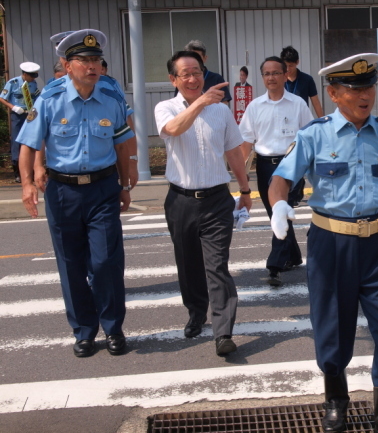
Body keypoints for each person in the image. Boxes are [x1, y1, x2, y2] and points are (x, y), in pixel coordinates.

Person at [268, 53, 378, 433]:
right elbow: (281, 178)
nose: (365, 95)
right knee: (333, 328)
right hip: (331, 244)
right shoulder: (314, 134)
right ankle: (336, 400)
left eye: (369, 87)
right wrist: (279, 204)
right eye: (354, 89)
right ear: (334, 93)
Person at [17, 29, 133, 358]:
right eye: (84, 61)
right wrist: (27, 183)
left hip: (102, 190)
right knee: (70, 263)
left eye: (96, 60)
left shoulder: (111, 100)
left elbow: (122, 146)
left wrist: (124, 186)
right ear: (68, 66)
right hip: (62, 192)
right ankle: (84, 331)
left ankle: (113, 328)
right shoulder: (49, 101)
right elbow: (28, 145)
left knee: (106, 261)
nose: (92, 66)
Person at [154, 50, 252, 357]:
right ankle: (196, 311)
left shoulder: (220, 111)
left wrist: (246, 190)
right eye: (186, 74)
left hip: (216, 201)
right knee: (189, 265)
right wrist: (199, 103)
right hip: (180, 201)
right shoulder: (165, 108)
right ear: (174, 80)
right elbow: (173, 130)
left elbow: (234, 152)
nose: (193, 78)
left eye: (197, 72)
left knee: (217, 266)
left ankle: (223, 331)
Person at [239, 56, 313, 286]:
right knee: (275, 214)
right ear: (262, 78)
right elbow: (245, 140)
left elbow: (309, 135)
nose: (271, 77)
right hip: (264, 165)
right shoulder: (255, 106)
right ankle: (293, 256)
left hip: (291, 165)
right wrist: (243, 173)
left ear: (285, 74)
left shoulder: (297, 103)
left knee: (282, 209)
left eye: (276, 73)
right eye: (267, 74)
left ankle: (274, 266)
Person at [43, 33, 139, 189]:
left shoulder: (107, 87)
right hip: (63, 180)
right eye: (62, 53)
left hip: (103, 176)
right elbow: (37, 136)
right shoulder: (50, 93)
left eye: (93, 59)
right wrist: (37, 168)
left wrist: (132, 160)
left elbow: (125, 126)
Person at [1, 62, 41, 182]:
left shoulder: (33, 84)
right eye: (31, 76)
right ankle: (17, 171)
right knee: (17, 141)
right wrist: (13, 107)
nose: (33, 78)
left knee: (29, 140)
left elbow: (36, 97)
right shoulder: (13, 83)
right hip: (17, 114)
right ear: (24, 74)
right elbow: (2, 98)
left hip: (29, 114)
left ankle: (30, 170)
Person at [179, 39, 232, 104]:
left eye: (198, 57)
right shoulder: (181, 79)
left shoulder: (216, 79)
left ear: (205, 58)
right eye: (191, 57)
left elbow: (224, 103)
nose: (194, 61)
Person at [280, 45, 324, 117]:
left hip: (301, 118)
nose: (287, 69)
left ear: (297, 62)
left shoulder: (307, 79)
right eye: (285, 65)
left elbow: (315, 102)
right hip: (284, 118)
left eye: (291, 66)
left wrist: (322, 120)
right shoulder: (279, 79)